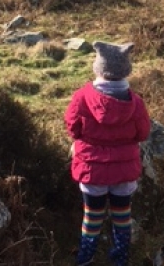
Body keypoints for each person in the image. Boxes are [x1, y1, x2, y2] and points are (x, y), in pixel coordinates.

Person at [64, 41, 151, 266]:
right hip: (124, 172)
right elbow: (143, 133)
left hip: (92, 171)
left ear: (98, 68)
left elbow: (73, 128)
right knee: (122, 215)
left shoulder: (81, 97)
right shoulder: (136, 103)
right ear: (125, 70)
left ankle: (85, 256)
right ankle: (121, 257)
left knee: (92, 216)